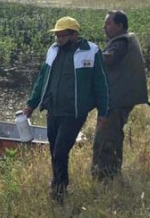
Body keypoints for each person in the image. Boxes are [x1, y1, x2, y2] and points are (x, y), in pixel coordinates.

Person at [21, 17, 109, 204]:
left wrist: (103, 112)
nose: (58, 38)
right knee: (54, 149)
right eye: (57, 35)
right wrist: (31, 104)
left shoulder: (91, 52)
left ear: (74, 35)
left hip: (75, 112)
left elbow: (101, 84)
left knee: (61, 150)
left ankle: (60, 188)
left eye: (62, 35)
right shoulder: (52, 51)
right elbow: (42, 80)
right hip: (54, 109)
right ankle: (57, 184)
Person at [91, 10, 149, 180]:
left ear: (120, 25)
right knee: (111, 136)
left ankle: (105, 177)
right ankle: (109, 175)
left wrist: (89, 56)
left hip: (116, 101)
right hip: (118, 99)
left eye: (108, 23)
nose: (105, 27)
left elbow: (110, 58)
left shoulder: (121, 42)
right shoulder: (125, 40)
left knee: (106, 139)